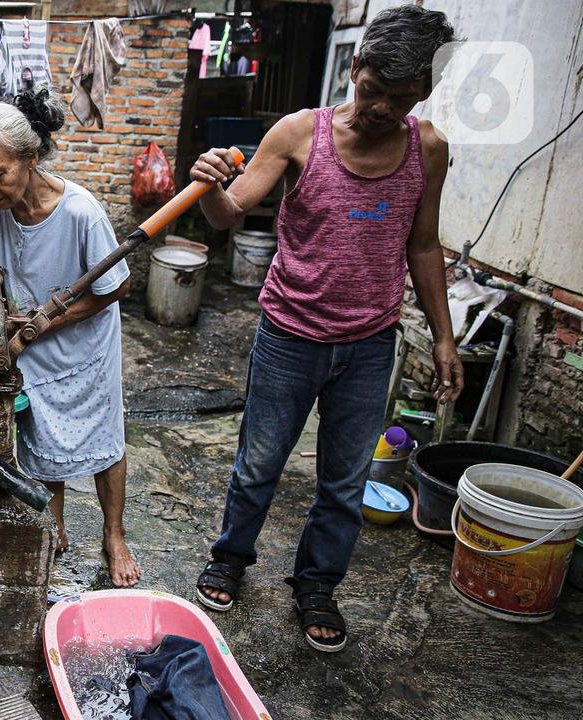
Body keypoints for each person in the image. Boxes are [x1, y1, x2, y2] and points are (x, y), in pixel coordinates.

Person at [191, 5, 461, 652]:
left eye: (399, 100)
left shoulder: (429, 150)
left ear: (422, 93)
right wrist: (207, 189)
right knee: (259, 464)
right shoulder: (297, 134)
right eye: (372, 91)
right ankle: (231, 557)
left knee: (343, 482)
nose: (379, 109)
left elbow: (423, 247)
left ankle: (318, 585)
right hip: (288, 336)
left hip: (369, 345)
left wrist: (445, 337)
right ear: (355, 69)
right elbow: (230, 216)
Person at [0, 87, 141, 588]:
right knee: (42, 439)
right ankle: (51, 525)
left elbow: (116, 285)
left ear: (30, 159)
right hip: (25, 344)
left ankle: (114, 534)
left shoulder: (81, 212)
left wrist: (47, 320)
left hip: (83, 340)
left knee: (105, 442)